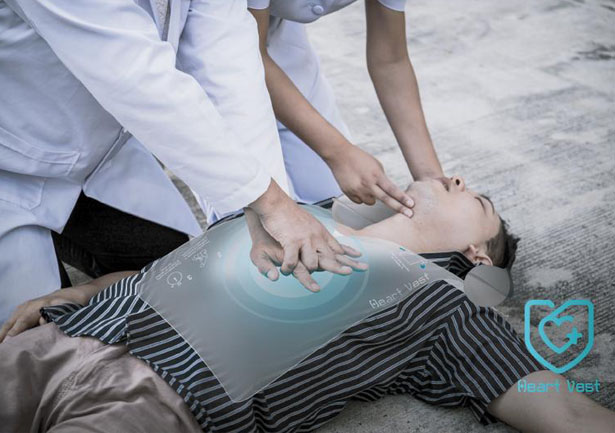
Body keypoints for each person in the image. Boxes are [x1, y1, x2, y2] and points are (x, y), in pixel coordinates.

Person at [2, 176, 613, 432]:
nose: (455, 179)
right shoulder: (293, 210)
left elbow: (564, 409)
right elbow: (182, 268)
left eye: (475, 199)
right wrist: (82, 291)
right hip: (68, 336)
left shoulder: (441, 307)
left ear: (477, 255)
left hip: (160, 403)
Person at [0, 0, 382, 322]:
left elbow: (225, 59)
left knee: (175, 284)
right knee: (31, 341)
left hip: (100, 156)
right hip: (10, 170)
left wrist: (260, 211)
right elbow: (135, 75)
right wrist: (272, 203)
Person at [245, 0, 444, 212]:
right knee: (253, 209)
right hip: (227, 49)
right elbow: (247, 56)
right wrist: (338, 152)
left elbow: (390, 61)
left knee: (329, 200)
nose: (458, 182)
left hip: (277, 33)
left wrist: (432, 179)